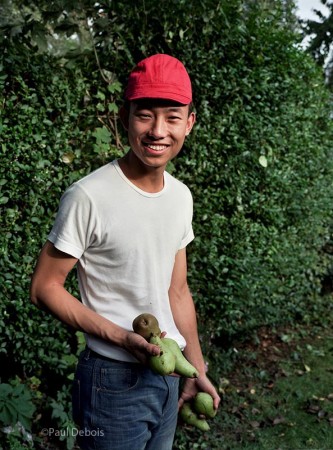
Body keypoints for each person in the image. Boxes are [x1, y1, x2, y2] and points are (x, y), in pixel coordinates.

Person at [30, 54, 220, 450]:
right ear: (124, 117)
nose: (158, 131)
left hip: (168, 373)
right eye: (145, 115)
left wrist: (195, 366)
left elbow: (178, 291)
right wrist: (121, 337)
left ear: (190, 122)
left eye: (172, 116)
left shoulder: (181, 197)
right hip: (111, 381)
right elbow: (45, 287)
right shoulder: (88, 196)